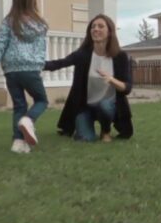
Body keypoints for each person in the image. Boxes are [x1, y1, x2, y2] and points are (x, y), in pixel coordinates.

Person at [44, 14, 133, 142]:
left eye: (100, 26)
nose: (95, 29)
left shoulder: (120, 56)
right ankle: (85, 127)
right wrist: (37, 65)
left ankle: (105, 131)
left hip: (108, 106)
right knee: (86, 139)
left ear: (109, 32)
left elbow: (127, 88)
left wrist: (111, 80)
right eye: (93, 26)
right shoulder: (83, 55)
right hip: (86, 107)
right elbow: (60, 63)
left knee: (105, 105)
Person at [0, 0, 49, 154]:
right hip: (30, 69)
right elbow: (41, 49)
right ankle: (28, 120)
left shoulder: (9, 22)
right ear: (33, 0)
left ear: (15, 0)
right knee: (42, 101)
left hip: (11, 71)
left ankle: (18, 142)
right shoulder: (41, 25)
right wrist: (40, 65)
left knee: (19, 105)